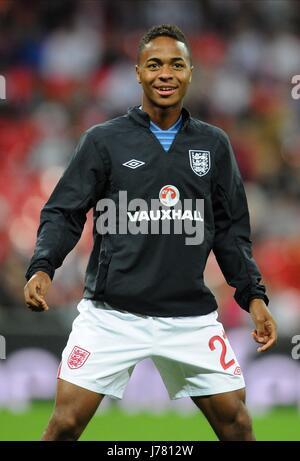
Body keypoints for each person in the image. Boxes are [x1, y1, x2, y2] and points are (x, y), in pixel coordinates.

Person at [24, 24, 277, 441]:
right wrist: (43, 266)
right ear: (137, 73)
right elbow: (64, 211)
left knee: (237, 423)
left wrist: (253, 296)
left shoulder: (213, 145)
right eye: (154, 64)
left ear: (190, 72)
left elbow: (231, 232)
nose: (165, 73)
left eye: (176, 64)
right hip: (112, 314)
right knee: (65, 423)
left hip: (189, 317)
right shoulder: (103, 141)